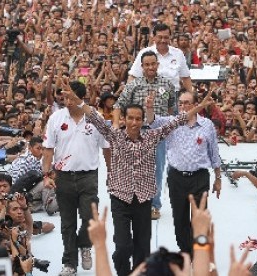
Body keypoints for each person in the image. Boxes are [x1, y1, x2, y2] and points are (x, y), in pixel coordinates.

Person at [76, 87, 212, 276]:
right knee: (122, 246)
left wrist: (200, 107)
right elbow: (96, 118)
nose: (134, 122)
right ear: (123, 119)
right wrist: (78, 101)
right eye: (130, 118)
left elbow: (178, 121)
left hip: (143, 199)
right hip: (120, 198)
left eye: (138, 119)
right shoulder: (114, 136)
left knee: (142, 247)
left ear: (142, 121)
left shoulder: (151, 137)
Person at [42, 80, 110, 276]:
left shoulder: (95, 118)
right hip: (63, 176)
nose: (67, 101)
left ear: (81, 98)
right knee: (68, 223)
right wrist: (47, 175)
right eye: (64, 97)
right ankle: (69, 263)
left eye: (71, 97)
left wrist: (112, 173)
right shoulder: (56, 118)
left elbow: (106, 148)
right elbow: (48, 150)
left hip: (88, 176)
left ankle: (85, 245)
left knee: (89, 218)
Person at [146, 91, 222, 254]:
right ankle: (186, 252)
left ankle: (200, 252)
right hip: (176, 178)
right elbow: (152, 121)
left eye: (187, 103)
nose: (183, 106)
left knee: (199, 219)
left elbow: (214, 152)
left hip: (199, 177)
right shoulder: (171, 122)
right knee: (179, 218)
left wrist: (218, 178)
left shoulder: (207, 125)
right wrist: (150, 107)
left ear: (195, 105)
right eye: (180, 103)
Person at [112, 50, 176, 220]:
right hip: (136, 134)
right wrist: (117, 126)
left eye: (153, 64)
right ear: (142, 66)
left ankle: (154, 205)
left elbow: (171, 109)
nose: (150, 67)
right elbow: (118, 105)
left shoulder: (167, 85)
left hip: (158, 135)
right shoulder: (133, 85)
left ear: (158, 64)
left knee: (157, 169)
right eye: (146, 64)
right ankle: (134, 202)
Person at [9, 136, 58, 215]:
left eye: (43, 149)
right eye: (38, 148)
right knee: (46, 183)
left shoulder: (34, 159)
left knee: (50, 179)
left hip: (26, 194)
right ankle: (52, 206)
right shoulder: (26, 161)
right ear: (30, 148)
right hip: (21, 198)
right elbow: (15, 185)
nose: (41, 152)